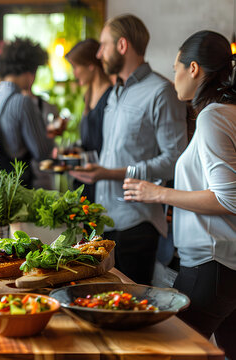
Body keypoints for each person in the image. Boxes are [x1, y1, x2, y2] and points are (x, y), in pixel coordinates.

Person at [123, 31, 236, 359]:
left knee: (165, 350)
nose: (173, 79)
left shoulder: (213, 116)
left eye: (175, 69)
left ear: (194, 69)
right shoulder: (227, 111)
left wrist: (159, 194)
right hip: (223, 263)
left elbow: (229, 198)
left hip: (210, 264)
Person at [69, 14, 188, 285]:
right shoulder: (114, 93)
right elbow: (116, 152)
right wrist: (92, 169)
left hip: (137, 223)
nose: (99, 54)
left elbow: (174, 160)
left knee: (132, 309)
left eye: (104, 45)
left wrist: (113, 173)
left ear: (122, 45)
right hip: (102, 220)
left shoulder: (161, 92)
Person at [0, 37, 53, 187]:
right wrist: (50, 135)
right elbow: (41, 153)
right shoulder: (23, 102)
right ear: (29, 72)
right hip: (16, 191)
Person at [65, 39, 113, 200]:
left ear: (91, 65)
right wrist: (74, 150)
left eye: (76, 66)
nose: (74, 73)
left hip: (103, 180)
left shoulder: (111, 96)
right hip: (85, 179)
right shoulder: (88, 95)